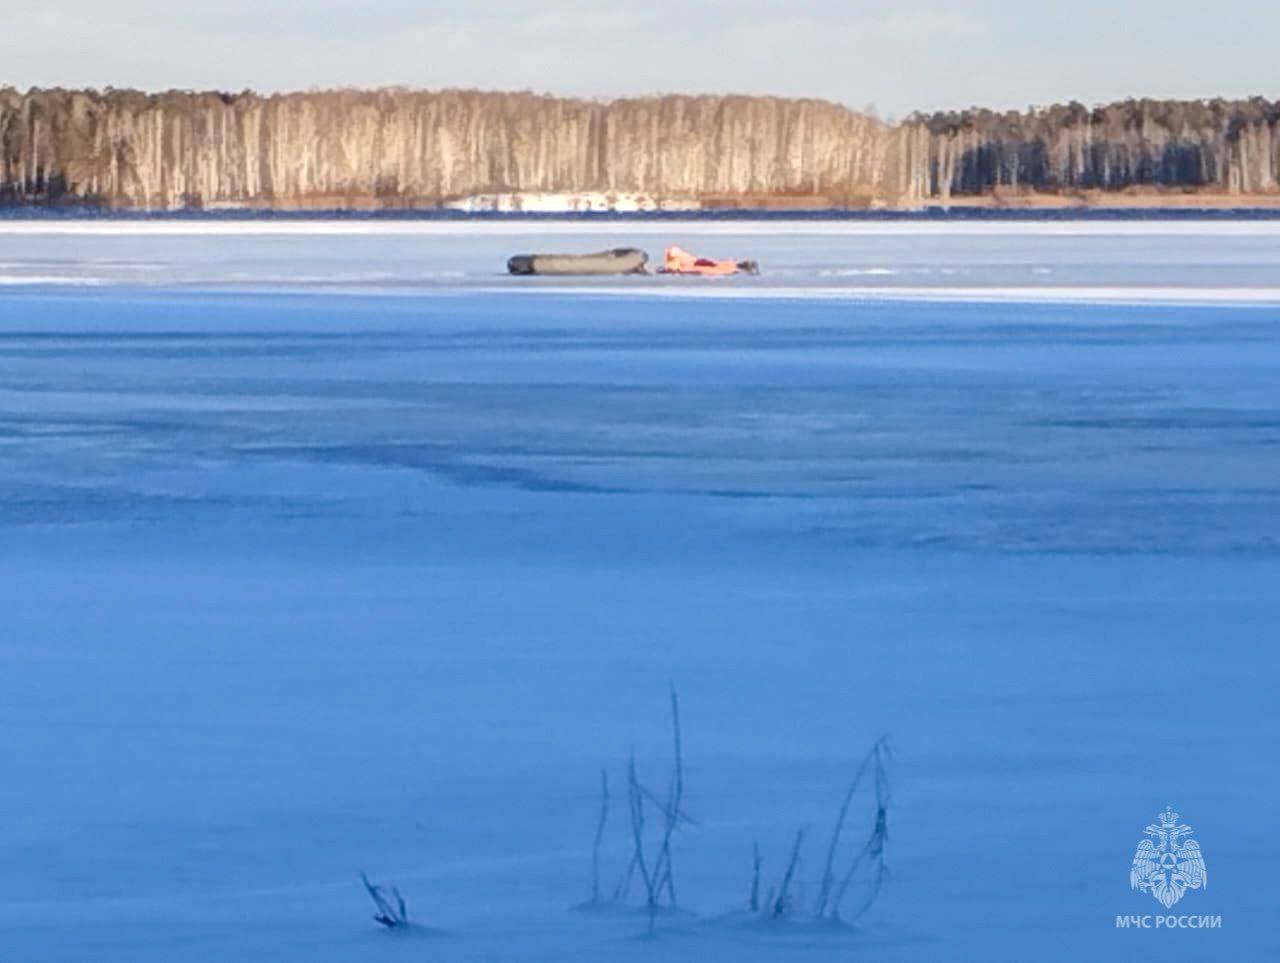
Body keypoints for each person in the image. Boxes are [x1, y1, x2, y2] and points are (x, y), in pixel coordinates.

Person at [662, 245, 759, 276]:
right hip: (696, 262)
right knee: (717, 265)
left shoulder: (674, 259)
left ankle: (740, 265)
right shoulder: (677, 258)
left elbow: (677, 267)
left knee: (716, 265)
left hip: (696, 263)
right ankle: (740, 265)